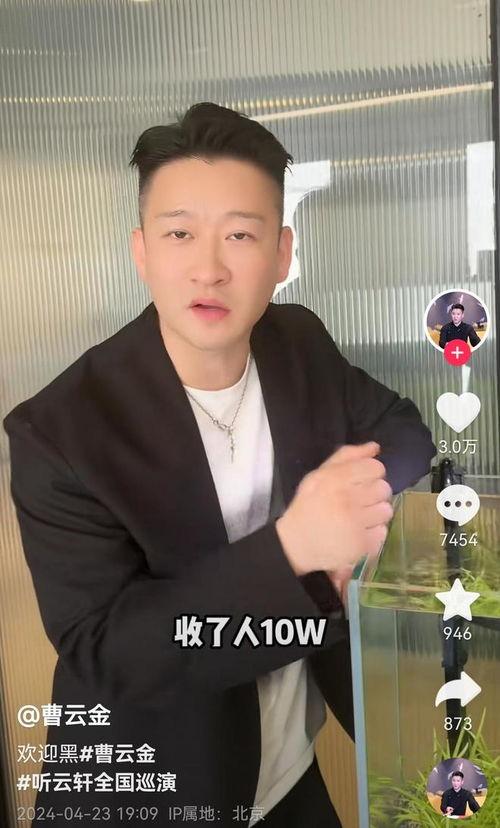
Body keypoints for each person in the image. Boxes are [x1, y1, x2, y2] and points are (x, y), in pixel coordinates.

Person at [3, 102, 436, 827]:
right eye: (180, 234)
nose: (208, 268)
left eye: (240, 235)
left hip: (289, 776)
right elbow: (108, 653)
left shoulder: (296, 341)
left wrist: (357, 510)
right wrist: (294, 547)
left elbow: (403, 431)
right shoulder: (59, 431)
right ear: (142, 251)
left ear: (282, 255)